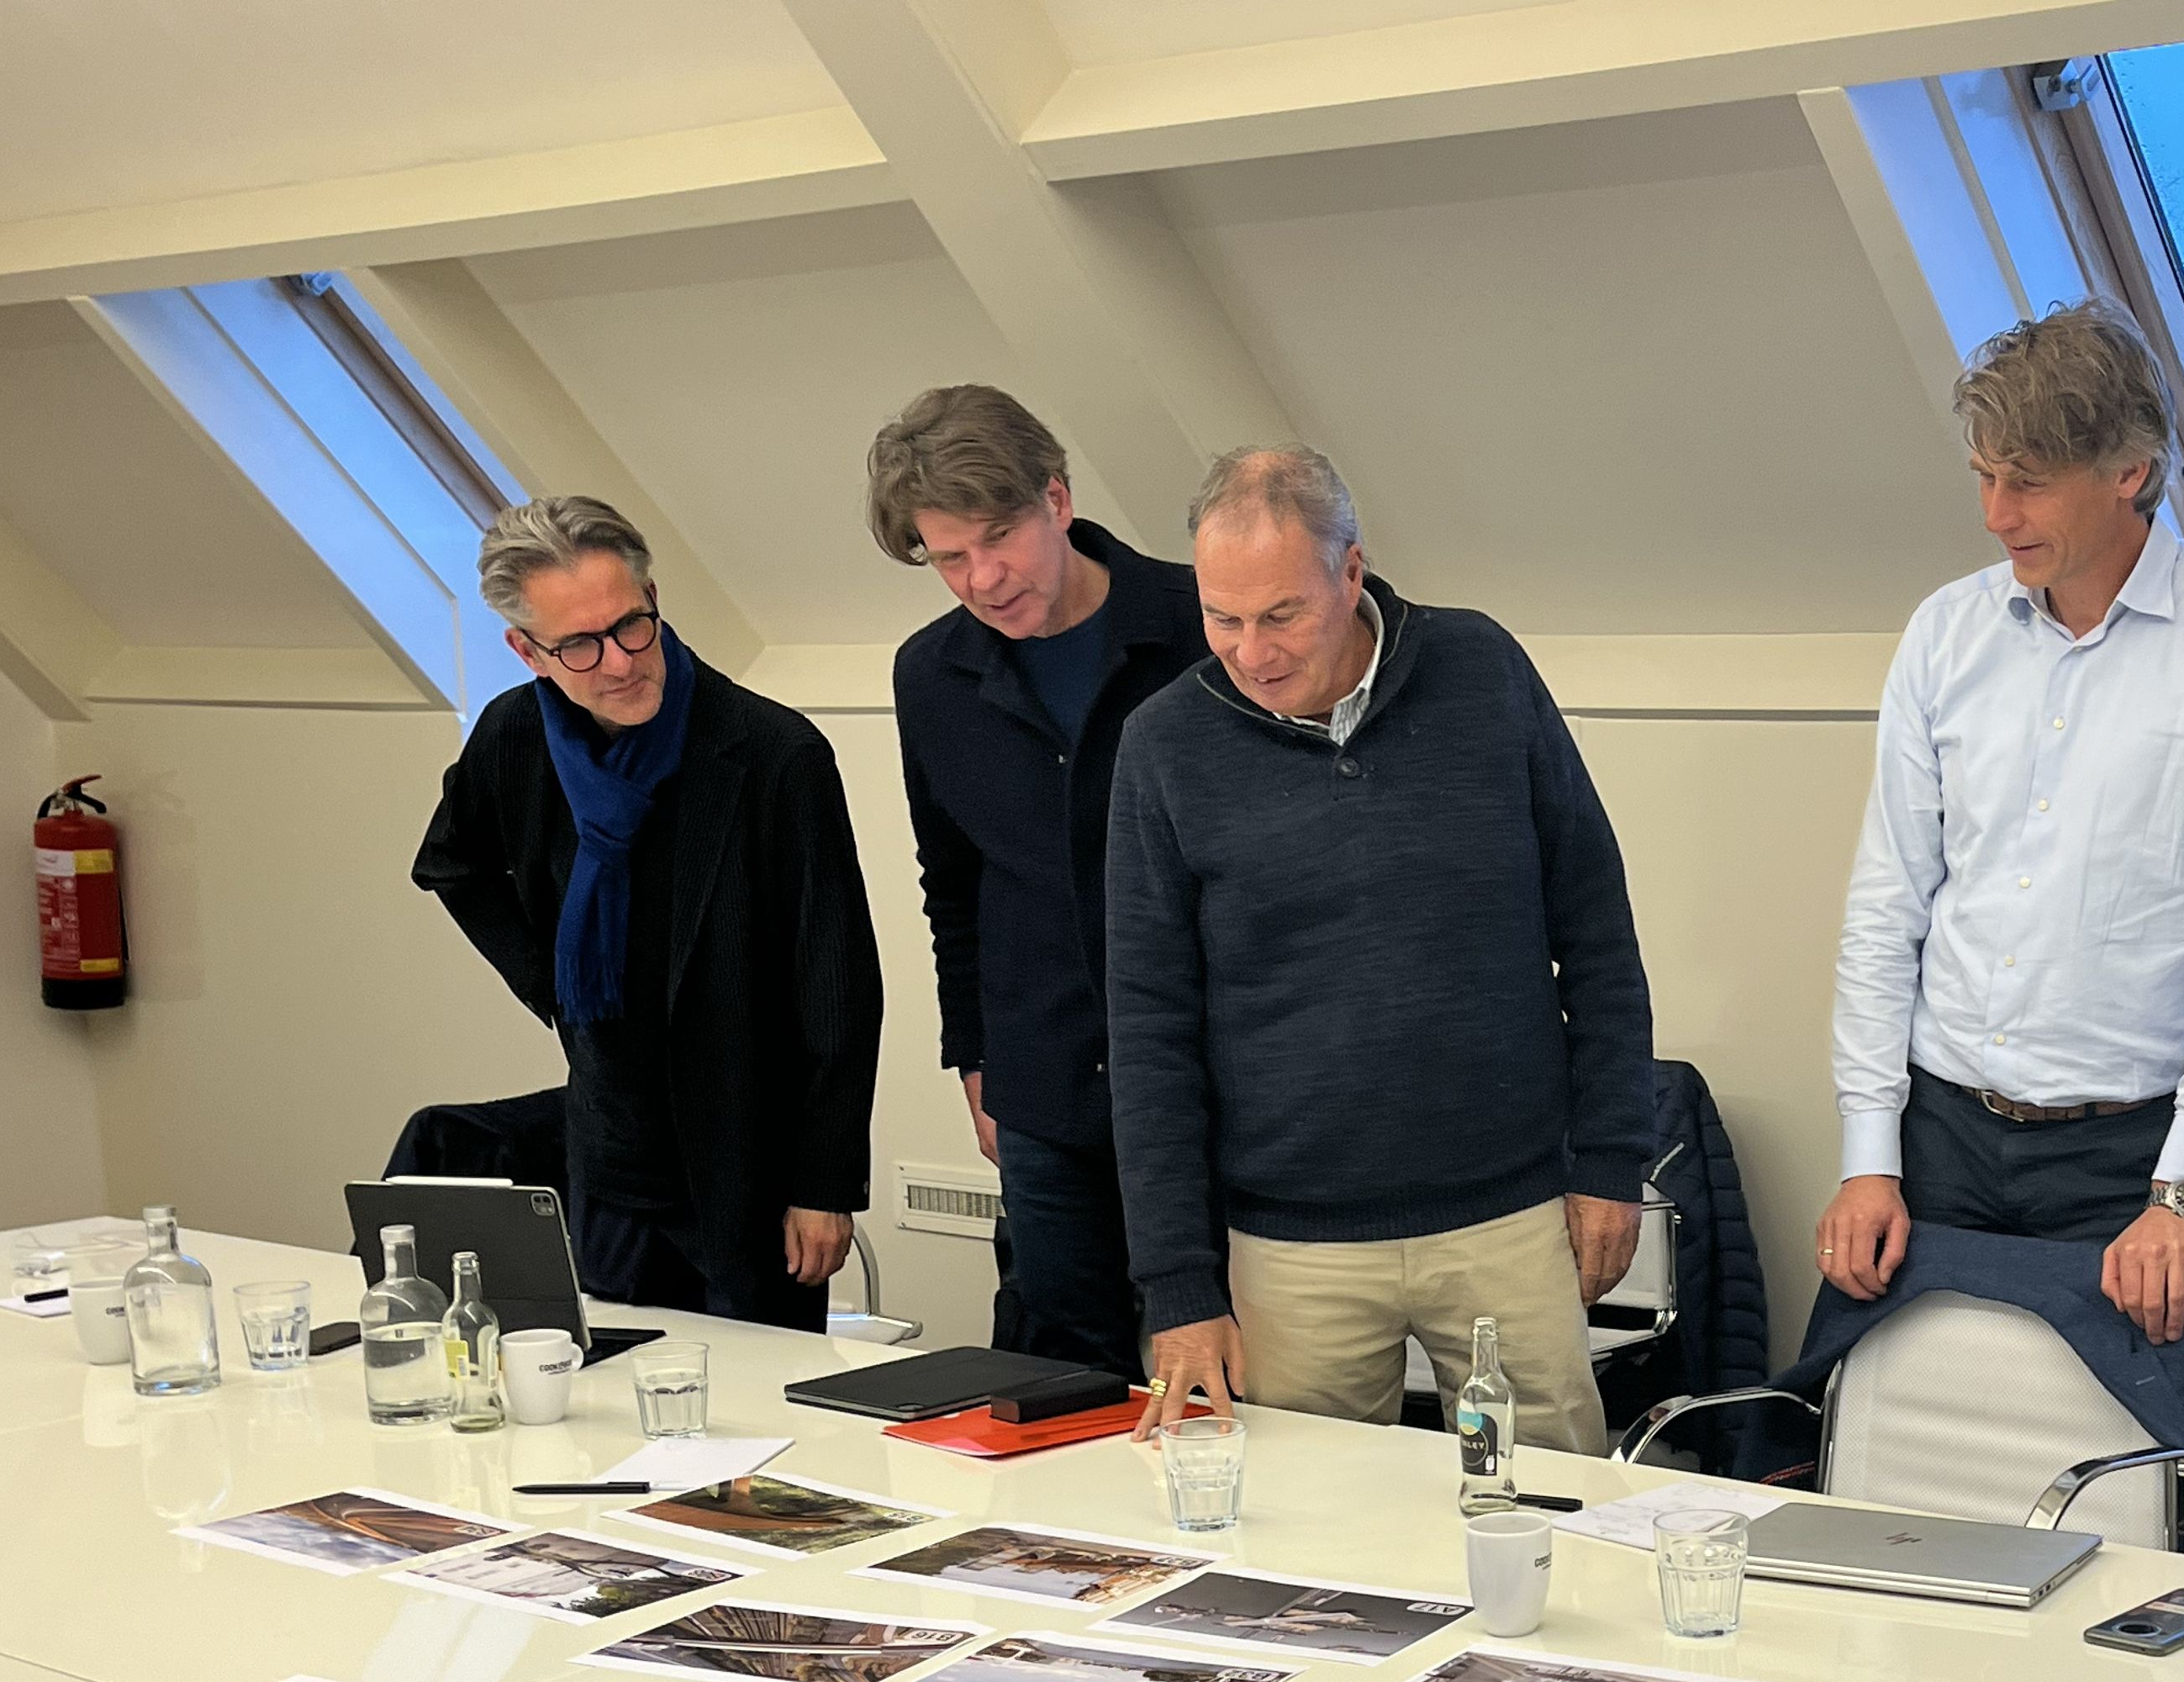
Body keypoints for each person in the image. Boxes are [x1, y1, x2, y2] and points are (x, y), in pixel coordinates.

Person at [1104, 445, 1656, 1453]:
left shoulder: (1482, 668)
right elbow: (1148, 1032)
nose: (1252, 652)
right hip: (1292, 1244)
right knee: (1309, 1525)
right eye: (1222, 618)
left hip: (1507, 1215)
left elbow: (1597, 930)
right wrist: (1178, 1283)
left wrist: (1613, 1160)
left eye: (1282, 615)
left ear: (1350, 571)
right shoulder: (1164, 744)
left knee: (1547, 1504)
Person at [1820, 298, 2184, 1351]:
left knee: (2139, 1449)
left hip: (2128, 1166)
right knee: (1899, 1440)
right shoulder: (1945, 633)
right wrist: (1869, 1154)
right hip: (1937, 1137)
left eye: (2029, 481)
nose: (1995, 514)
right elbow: (1887, 907)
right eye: (1984, 476)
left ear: (2130, 470)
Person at [413, 495, 881, 1331]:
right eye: (580, 645)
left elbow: (837, 983)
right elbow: (452, 863)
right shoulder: (515, 737)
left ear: (654, 599)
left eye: (632, 626)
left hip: (749, 1153)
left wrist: (825, 1184)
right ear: (527, 651)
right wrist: (553, 983)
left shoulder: (774, 754)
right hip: (612, 1148)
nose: (622, 662)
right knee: (614, 1380)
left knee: (755, 1393)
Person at [873, 384, 1207, 1374]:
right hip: (1041, 1081)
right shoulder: (929, 675)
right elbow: (951, 883)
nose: (982, 579)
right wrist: (974, 1057)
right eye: (948, 558)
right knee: (1060, 1376)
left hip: (1212, 1081)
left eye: (998, 538)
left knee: (1232, 1376)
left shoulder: (1202, 627)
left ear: (1056, 499)